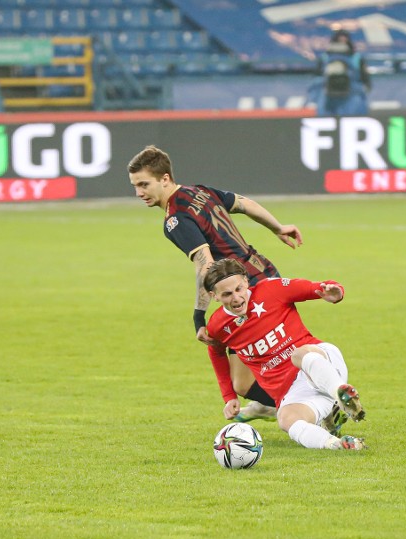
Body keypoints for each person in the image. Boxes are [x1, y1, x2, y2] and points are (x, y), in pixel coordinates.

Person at [127, 145, 303, 422]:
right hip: (263, 271)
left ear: (164, 178)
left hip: (246, 292)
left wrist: (199, 317)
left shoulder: (176, 219)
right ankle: (276, 405)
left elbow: (206, 265)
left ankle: (313, 407)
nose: (139, 192)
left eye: (144, 184)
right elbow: (245, 204)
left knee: (247, 381)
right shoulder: (200, 191)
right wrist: (278, 227)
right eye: (135, 186)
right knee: (255, 370)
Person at [204, 258, 366, 450]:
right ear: (214, 296)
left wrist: (335, 292)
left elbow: (315, 287)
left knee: (297, 354)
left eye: (239, 289)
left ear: (246, 281)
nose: (236, 298)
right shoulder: (217, 325)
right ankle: (336, 444)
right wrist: (229, 396)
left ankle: (341, 394)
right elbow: (217, 354)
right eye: (227, 294)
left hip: (321, 363)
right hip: (293, 391)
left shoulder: (271, 290)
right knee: (286, 419)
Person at [308, 28, 371, 116]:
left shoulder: (357, 58)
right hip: (327, 95)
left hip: (351, 93)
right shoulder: (324, 58)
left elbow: (365, 80)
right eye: (339, 40)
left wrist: (363, 87)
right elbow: (316, 79)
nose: (342, 43)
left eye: (344, 40)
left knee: (351, 119)